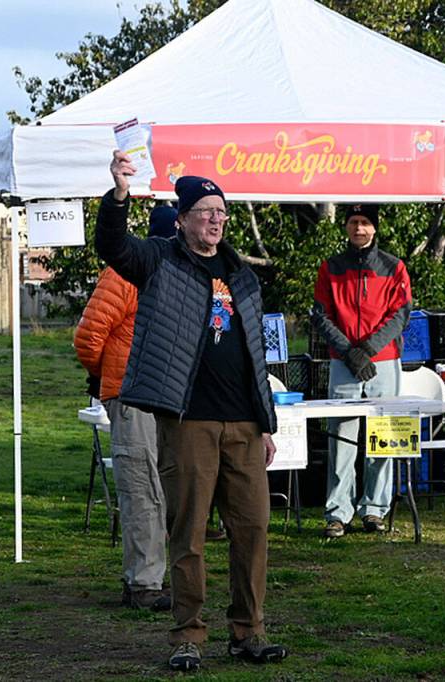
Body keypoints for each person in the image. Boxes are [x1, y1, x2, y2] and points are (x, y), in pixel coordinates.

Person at [97, 151, 285, 672]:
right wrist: (118, 194)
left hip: (245, 425)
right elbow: (112, 245)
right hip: (188, 422)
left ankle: (248, 631)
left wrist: (265, 423)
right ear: (181, 219)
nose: (216, 220)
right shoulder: (160, 261)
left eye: (221, 212)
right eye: (204, 211)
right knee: (190, 533)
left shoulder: (242, 276)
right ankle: (189, 635)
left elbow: (254, 355)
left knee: (252, 529)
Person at [74, 205, 177, 612]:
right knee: (142, 490)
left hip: (163, 397)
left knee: (158, 490)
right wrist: (111, 381)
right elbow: (88, 336)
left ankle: (149, 578)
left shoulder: (176, 276)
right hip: (133, 397)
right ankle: (144, 584)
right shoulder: (124, 273)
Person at [311, 203, 412, 538]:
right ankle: (338, 512)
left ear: (375, 227)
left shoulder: (393, 267)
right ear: (345, 227)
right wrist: (348, 352)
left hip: (382, 361)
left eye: (365, 222)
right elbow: (321, 315)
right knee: (342, 438)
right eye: (353, 222)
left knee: (382, 436)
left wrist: (367, 350)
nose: (359, 228)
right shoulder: (330, 267)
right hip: (343, 362)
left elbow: (400, 314)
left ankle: (375, 509)